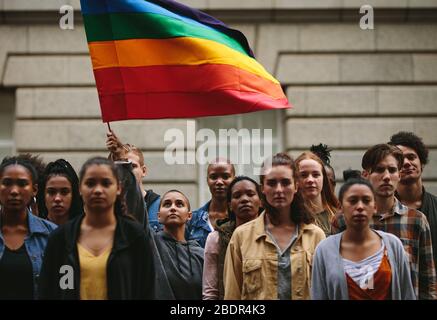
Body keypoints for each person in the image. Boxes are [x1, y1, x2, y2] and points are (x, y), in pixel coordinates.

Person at [38, 157, 155, 300]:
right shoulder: (60, 238)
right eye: (90, 183)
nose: (98, 190)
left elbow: (146, 292)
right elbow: (47, 292)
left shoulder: (134, 236)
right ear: (80, 188)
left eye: (106, 183)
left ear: (118, 188)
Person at [331, 144, 437, 299]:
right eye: (380, 170)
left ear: (399, 175)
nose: (387, 176)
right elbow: (331, 275)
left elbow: (428, 284)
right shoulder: (343, 221)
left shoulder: (417, 220)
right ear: (365, 175)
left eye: (392, 170)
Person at [223, 153, 325, 300]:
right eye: (271, 183)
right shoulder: (241, 236)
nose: (279, 190)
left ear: (296, 186)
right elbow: (232, 296)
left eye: (285, 182)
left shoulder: (315, 235)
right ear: (262, 188)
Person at [311, 178, 415, 300]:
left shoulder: (392, 245)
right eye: (353, 201)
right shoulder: (324, 250)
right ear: (341, 207)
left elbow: (407, 293)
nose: (360, 207)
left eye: (366, 201)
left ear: (375, 206)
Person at [0, 156, 57, 299]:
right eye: (7, 183)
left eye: (22, 183)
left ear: (34, 189)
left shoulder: (53, 235)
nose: (14, 191)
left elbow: (66, 286)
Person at [203, 176, 262, 300]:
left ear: (261, 201)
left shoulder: (271, 234)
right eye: (237, 196)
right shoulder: (216, 238)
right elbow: (210, 292)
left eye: (250, 194)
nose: (244, 199)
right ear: (230, 205)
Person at [389, 131, 437, 269]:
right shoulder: (382, 210)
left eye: (411, 157)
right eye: (400, 159)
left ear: (421, 163)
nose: (407, 163)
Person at [153, 190, 204, 299]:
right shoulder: (151, 244)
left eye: (179, 204)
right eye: (167, 204)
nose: (173, 208)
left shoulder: (201, 254)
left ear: (189, 216)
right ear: (158, 216)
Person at [106, 130, 161, 230]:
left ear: (143, 171)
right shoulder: (105, 207)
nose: (127, 170)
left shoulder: (161, 205)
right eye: (118, 166)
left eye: (132, 166)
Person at [186, 158, 235, 248]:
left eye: (225, 176)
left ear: (234, 180)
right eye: (213, 177)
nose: (219, 182)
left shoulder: (241, 218)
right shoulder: (192, 220)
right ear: (207, 180)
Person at [296, 152, 339, 237]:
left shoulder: (338, 216)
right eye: (303, 175)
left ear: (324, 179)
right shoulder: (289, 219)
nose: (310, 180)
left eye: (316, 175)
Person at [37, 159, 83, 225]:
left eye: (64, 192)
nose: (57, 198)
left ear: (73, 194)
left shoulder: (85, 232)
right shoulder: (32, 231)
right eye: (51, 192)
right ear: (43, 194)